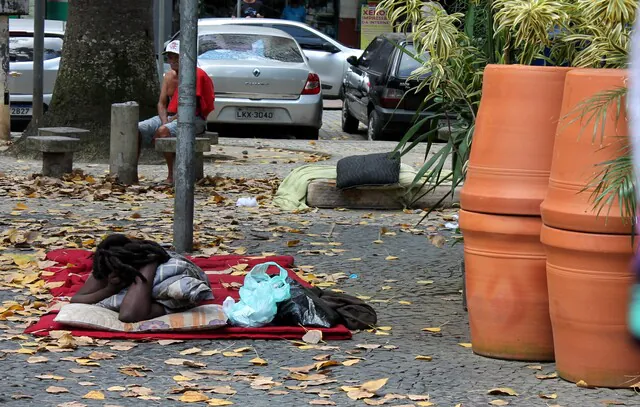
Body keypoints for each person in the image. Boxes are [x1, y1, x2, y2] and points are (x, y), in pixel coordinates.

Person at [71, 234, 213, 323]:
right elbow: (77, 300)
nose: (111, 277)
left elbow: (129, 315)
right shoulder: (112, 265)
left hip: (153, 263)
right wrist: (110, 289)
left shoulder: (162, 276)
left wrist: (147, 266)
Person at [137, 40, 215, 185]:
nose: (173, 61)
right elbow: (161, 103)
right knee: (136, 129)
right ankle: (131, 173)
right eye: (170, 57)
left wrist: (167, 124)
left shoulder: (197, 75)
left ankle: (172, 175)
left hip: (193, 119)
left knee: (163, 131)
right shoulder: (168, 76)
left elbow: (192, 109)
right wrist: (166, 120)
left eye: (176, 57)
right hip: (170, 116)